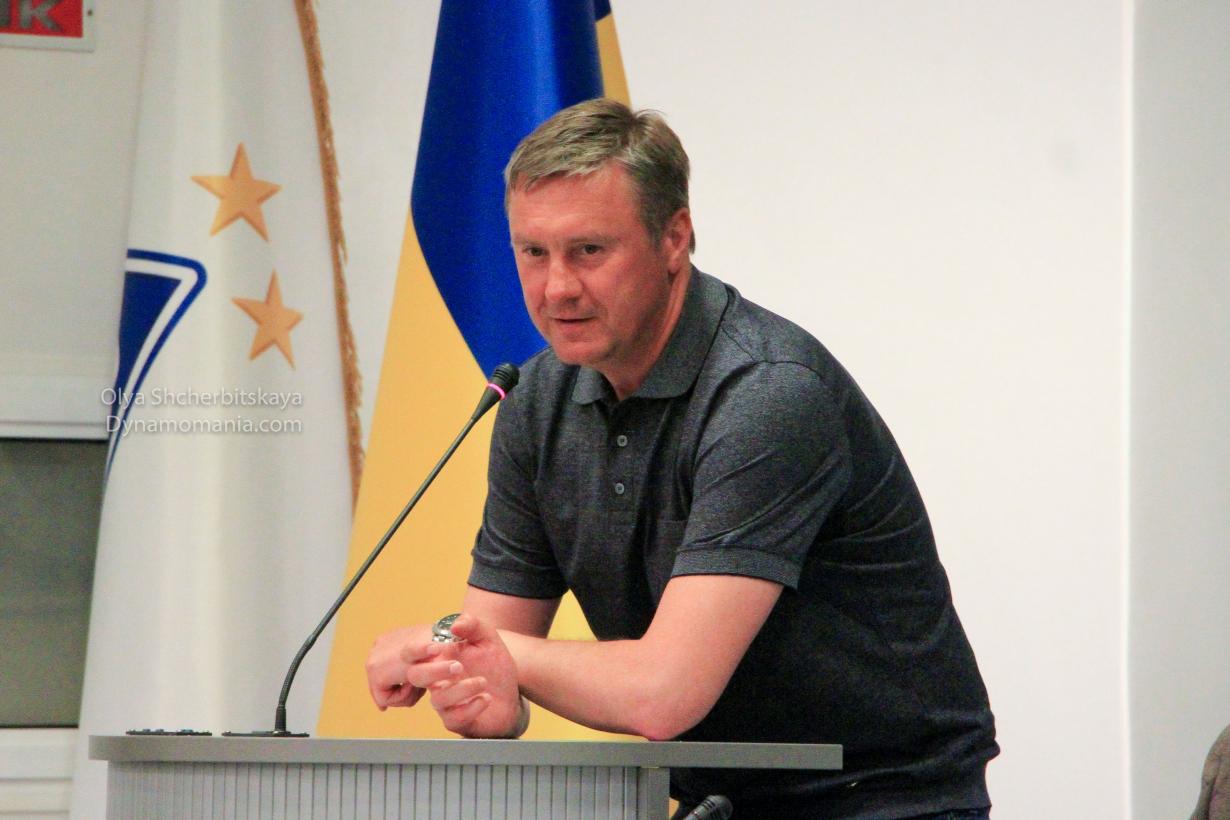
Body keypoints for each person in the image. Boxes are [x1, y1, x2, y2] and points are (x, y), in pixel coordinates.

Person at [366, 98, 998, 819]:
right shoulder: (532, 401)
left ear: (675, 239)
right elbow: (495, 655)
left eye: (589, 250)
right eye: (532, 252)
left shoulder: (767, 394)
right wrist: (479, 688)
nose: (556, 288)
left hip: (883, 801)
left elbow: (663, 694)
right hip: (714, 801)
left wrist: (464, 644)